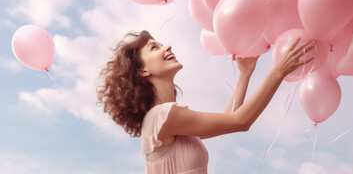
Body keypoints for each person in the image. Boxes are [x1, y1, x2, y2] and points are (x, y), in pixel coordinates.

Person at [97, 30, 315, 174]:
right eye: (154, 47)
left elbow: (230, 120)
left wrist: (245, 74)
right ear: (142, 70)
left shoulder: (169, 121)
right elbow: (241, 122)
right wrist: (278, 71)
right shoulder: (161, 118)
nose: (168, 47)